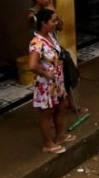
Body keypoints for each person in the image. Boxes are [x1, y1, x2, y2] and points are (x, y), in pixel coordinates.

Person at [28, 0, 86, 124]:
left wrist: (55, 14)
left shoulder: (50, 9)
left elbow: (60, 26)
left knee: (67, 76)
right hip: (44, 53)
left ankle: (70, 104)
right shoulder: (32, 15)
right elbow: (36, 28)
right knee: (51, 88)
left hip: (55, 48)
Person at [28, 8, 72, 154]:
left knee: (63, 105)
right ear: (43, 23)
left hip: (57, 81)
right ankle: (48, 143)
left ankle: (60, 135)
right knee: (47, 112)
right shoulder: (37, 43)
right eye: (52, 21)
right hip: (45, 84)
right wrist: (45, 72)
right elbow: (32, 65)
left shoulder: (51, 36)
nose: (55, 23)